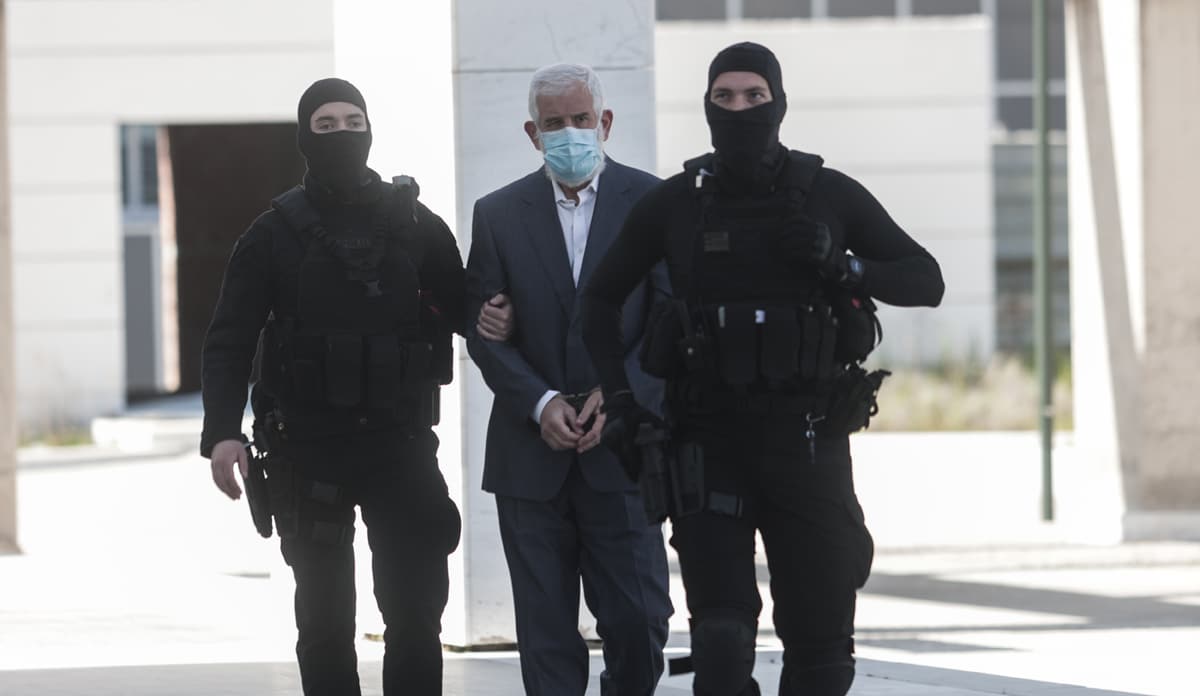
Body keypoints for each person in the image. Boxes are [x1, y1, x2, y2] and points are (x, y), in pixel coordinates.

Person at [581, 43, 945, 696]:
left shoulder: (827, 194)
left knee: (822, 658)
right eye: (724, 97)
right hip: (706, 445)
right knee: (720, 649)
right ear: (706, 107)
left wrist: (843, 264)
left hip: (807, 446)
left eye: (755, 96)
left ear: (779, 103)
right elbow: (598, 301)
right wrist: (621, 403)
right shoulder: (677, 203)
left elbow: (926, 280)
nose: (740, 109)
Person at [201, 77, 501, 696]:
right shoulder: (272, 233)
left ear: (370, 129)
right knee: (324, 622)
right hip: (307, 448)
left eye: (352, 121)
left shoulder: (414, 223)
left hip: (400, 445)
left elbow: (467, 309)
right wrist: (223, 433)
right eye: (326, 124)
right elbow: (230, 337)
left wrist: (500, 317)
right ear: (304, 136)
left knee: (415, 614)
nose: (342, 133)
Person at [464, 63, 673, 696]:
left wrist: (622, 393)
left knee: (639, 622)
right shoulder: (498, 214)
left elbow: (669, 322)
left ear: (604, 122)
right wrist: (539, 401)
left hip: (624, 451)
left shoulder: (654, 204)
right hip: (531, 458)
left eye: (581, 119)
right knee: (546, 639)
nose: (570, 133)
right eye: (554, 123)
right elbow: (483, 329)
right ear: (533, 134)